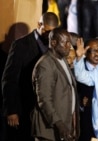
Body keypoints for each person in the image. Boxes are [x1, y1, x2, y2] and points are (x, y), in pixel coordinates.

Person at [1, 12, 59, 141]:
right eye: (46, 31)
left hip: (46, 111)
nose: (49, 35)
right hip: (24, 108)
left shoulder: (55, 46)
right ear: (39, 24)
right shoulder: (20, 45)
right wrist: (11, 110)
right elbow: (9, 79)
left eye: (52, 32)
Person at [31, 28, 80, 141]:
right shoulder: (46, 64)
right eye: (66, 42)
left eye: (70, 42)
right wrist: (59, 123)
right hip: (49, 131)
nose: (69, 45)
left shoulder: (62, 60)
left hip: (63, 128)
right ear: (53, 42)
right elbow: (44, 100)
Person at [77, 39, 98, 141]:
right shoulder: (78, 69)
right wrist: (80, 104)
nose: (97, 54)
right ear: (86, 52)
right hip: (86, 122)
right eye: (93, 50)